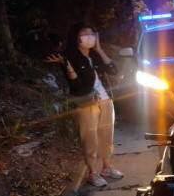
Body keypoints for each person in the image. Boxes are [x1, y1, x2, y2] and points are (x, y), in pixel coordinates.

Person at [46, 23, 123, 187]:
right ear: (77, 38)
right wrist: (67, 66)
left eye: (92, 33)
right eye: (84, 34)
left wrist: (100, 49)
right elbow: (77, 87)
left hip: (105, 99)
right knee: (90, 138)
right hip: (86, 103)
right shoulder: (69, 57)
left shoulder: (95, 56)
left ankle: (106, 167)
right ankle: (92, 172)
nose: (89, 37)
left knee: (106, 134)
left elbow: (113, 71)